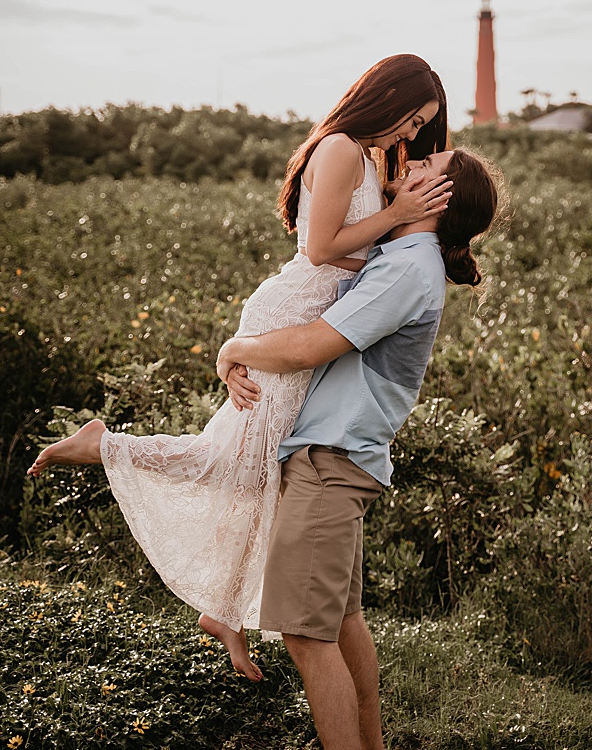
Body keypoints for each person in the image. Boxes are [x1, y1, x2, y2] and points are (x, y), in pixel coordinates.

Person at [27, 53, 452, 680]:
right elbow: (321, 248)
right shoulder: (340, 147)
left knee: (255, 462)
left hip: (311, 315)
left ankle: (223, 607)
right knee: (233, 459)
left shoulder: (367, 156)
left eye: (420, 127)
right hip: (297, 311)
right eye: (411, 120)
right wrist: (395, 215)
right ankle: (106, 448)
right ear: (387, 98)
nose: (411, 135)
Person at [216, 145, 500, 750]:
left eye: (430, 166)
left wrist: (234, 349)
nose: (414, 162)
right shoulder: (397, 257)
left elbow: (310, 346)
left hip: (331, 462)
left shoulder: (408, 269)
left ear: (439, 198)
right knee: (342, 626)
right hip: (337, 459)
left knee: (305, 634)